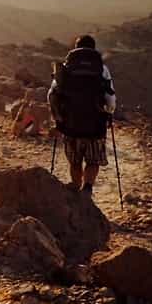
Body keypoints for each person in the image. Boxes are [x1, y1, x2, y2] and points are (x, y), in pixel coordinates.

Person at [48, 34, 115, 193]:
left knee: (75, 161)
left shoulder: (66, 67)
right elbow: (110, 96)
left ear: (75, 48)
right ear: (93, 48)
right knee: (93, 160)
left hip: (69, 123)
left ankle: (75, 188)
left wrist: (57, 117)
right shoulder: (101, 68)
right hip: (95, 123)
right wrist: (109, 113)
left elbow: (52, 94)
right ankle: (88, 188)